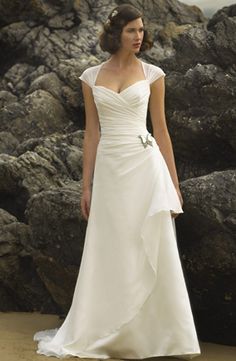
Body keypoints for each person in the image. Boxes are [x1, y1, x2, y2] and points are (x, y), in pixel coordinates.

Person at [34, 4, 201, 360]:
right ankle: (110, 329)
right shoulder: (90, 77)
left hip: (145, 166)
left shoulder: (154, 74)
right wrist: (86, 185)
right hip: (111, 171)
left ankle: (160, 335)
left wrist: (174, 185)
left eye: (141, 30)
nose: (139, 36)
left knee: (151, 246)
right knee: (114, 248)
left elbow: (162, 131)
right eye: (131, 31)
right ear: (116, 34)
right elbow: (91, 133)